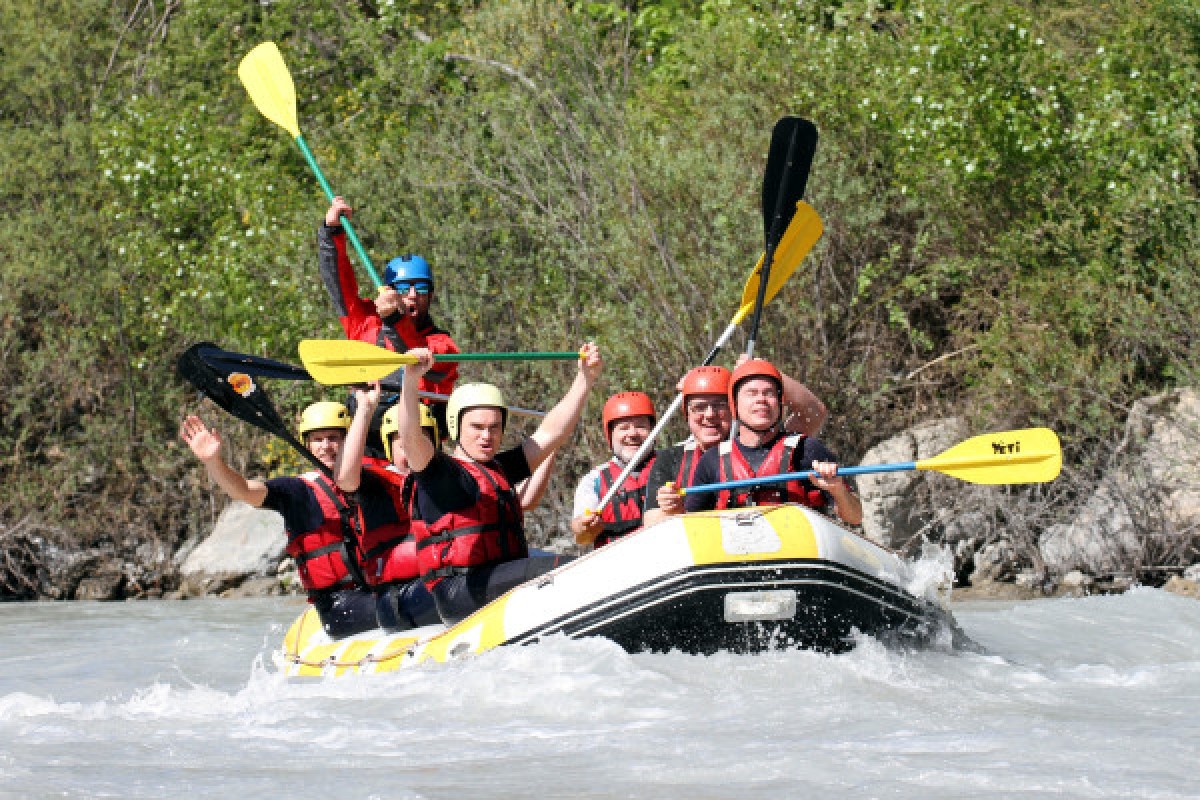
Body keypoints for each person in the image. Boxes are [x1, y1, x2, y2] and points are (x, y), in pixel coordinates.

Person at [396, 343, 603, 625]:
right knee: (566, 569)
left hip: (501, 576)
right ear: (456, 426)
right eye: (477, 427)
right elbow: (410, 439)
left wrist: (585, 379)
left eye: (494, 427)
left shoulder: (499, 469)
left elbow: (552, 432)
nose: (487, 436)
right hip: (461, 592)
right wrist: (410, 379)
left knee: (569, 564)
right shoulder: (440, 473)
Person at [179, 402, 378, 639]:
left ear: (350, 440)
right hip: (339, 605)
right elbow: (243, 490)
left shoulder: (375, 481)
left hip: (378, 588)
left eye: (334, 437)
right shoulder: (297, 492)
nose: (326, 446)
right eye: (318, 439)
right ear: (307, 445)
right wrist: (213, 462)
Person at [317, 196, 461, 450]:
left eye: (422, 288)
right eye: (404, 288)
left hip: (415, 447)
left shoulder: (443, 345)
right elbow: (339, 284)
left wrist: (395, 319)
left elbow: (416, 355)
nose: (413, 295)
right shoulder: (365, 323)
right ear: (390, 291)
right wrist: (331, 232)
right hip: (368, 442)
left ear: (431, 295)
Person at [643, 361, 828, 527]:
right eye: (699, 407)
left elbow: (813, 411)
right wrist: (672, 510)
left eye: (719, 406)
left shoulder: (772, 443)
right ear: (687, 415)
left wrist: (759, 369)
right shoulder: (670, 459)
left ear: (734, 407)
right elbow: (652, 521)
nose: (709, 415)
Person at [682, 359, 862, 524]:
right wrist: (672, 506)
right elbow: (691, 526)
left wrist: (838, 490)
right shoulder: (712, 460)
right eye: (751, 394)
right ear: (734, 406)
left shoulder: (807, 450)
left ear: (779, 404)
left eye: (769, 393)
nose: (761, 399)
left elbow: (855, 517)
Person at [334, 384, 442, 633]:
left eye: (419, 441)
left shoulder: (447, 479)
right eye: (402, 445)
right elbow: (345, 478)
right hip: (399, 598)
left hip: (440, 582)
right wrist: (364, 409)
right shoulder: (377, 483)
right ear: (388, 448)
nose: (411, 450)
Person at [570, 392, 657, 547]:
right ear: (610, 435)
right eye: (623, 428)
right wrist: (585, 527)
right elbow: (581, 537)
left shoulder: (673, 464)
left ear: (653, 431)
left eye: (641, 426)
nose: (632, 434)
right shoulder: (594, 480)